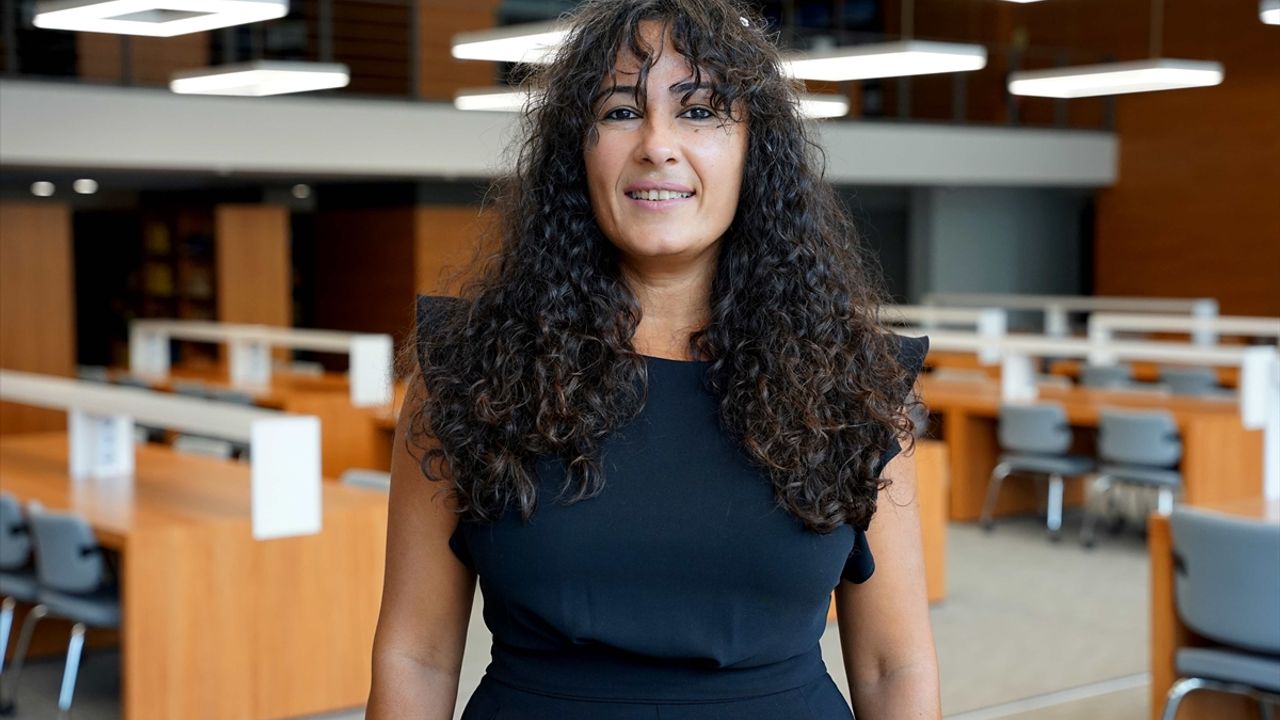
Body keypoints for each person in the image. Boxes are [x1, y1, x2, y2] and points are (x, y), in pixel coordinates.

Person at [368, 0, 939, 717]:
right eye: (619, 112)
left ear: (754, 149)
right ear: (577, 152)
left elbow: (894, 667)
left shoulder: (853, 380)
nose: (657, 144)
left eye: (698, 111)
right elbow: (416, 654)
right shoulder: (469, 370)